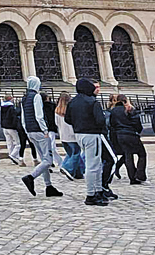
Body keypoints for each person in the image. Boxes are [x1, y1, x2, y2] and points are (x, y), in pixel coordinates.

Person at [66, 78, 106, 206]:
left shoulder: (72, 102)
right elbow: (100, 120)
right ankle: (91, 194)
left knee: (96, 163)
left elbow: (68, 119)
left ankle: (98, 190)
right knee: (93, 165)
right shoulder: (92, 102)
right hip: (92, 133)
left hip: (79, 134)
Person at [20, 76, 61, 197]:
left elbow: (23, 118)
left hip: (30, 131)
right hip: (39, 131)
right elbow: (39, 115)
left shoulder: (24, 98)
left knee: (43, 159)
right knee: (48, 160)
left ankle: (49, 186)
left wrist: (27, 131)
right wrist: (45, 130)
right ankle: (30, 177)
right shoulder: (36, 96)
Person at [109, 94, 146, 185]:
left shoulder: (114, 111)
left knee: (128, 155)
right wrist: (138, 130)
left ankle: (132, 178)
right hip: (131, 134)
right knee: (142, 154)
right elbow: (137, 123)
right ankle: (140, 174)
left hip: (120, 135)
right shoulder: (130, 109)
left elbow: (111, 124)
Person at [55, 91, 82, 180]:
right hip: (72, 136)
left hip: (63, 135)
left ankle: (78, 173)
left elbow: (56, 123)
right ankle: (67, 167)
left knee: (71, 154)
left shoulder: (57, 111)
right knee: (76, 154)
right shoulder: (71, 110)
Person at [41, 92, 64, 170]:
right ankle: (57, 162)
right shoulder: (51, 106)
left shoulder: (41, 106)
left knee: (48, 148)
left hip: (44, 129)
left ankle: (52, 162)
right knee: (52, 147)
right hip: (50, 128)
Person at [0, 95, 22, 166]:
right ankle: (13, 155)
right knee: (18, 143)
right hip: (11, 127)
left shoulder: (2, 106)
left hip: (4, 127)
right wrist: (16, 126)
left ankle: (12, 155)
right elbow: (13, 117)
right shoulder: (11, 107)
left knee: (9, 143)